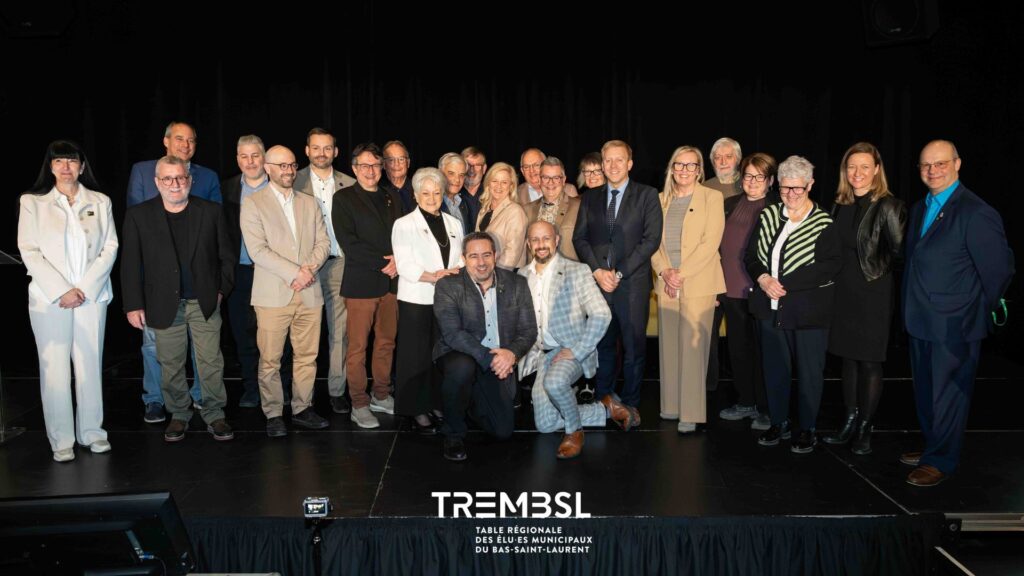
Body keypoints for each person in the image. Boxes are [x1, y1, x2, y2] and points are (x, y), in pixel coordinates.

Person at [901, 140, 1013, 486]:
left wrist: (972, 310)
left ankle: (941, 460)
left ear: (958, 164)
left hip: (955, 324)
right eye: (925, 165)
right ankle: (933, 446)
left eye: (940, 163)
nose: (932, 170)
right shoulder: (920, 207)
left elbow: (999, 270)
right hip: (920, 318)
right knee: (926, 391)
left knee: (948, 395)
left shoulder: (975, 212)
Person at [121, 156, 236, 443]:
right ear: (157, 182)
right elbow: (130, 264)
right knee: (170, 363)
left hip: (204, 301)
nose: (175, 184)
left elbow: (227, 256)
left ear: (190, 180)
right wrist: (133, 305)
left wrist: (221, 290)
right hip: (162, 302)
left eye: (181, 177)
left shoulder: (210, 212)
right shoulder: (139, 216)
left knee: (210, 361)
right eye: (168, 178)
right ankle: (179, 414)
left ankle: (214, 413)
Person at [18, 140, 118, 462]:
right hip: (50, 299)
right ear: (50, 167)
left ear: (82, 166)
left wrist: (84, 288)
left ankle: (92, 432)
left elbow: (110, 247)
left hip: (91, 297)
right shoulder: (33, 203)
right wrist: (62, 290)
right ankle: (61, 439)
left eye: (72, 161)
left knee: (90, 365)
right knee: (55, 370)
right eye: (59, 161)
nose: (65, 167)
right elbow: (29, 250)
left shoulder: (100, 201)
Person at [746, 155, 841, 454]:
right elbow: (751, 256)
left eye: (798, 188)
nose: (791, 194)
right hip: (769, 308)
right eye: (785, 188)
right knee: (775, 369)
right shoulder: (768, 215)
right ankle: (779, 422)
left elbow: (829, 266)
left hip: (808, 311)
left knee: (810, 373)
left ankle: (808, 428)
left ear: (810, 185)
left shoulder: (824, 223)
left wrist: (784, 284)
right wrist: (763, 278)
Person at [127, 121, 220, 423]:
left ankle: (204, 402)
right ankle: (158, 401)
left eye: (191, 140)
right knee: (159, 352)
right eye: (179, 138)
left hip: (199, 289)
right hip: (159, 288)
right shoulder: (142, 174)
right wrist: (136, 299)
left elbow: (219, 241)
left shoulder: (207, 178)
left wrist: (219, 287)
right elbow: (133, 249)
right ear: (166, 141)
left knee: (206, 355)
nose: (185, 144)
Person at [520, 221, 634, 458]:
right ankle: (605, 409)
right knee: (545, 424)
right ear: (528, 244)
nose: (541, 244)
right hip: (542, 354)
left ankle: (574, 432)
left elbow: (601, 314)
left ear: (556, 240)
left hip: (570, 349)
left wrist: (579, 349)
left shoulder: (577, 271)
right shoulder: (522, 276)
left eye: (546, 238)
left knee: (555, 383)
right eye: (535, 240)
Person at [240, 145, 331, 437]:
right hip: (272, 295)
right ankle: (274, 413)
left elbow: (323, 243)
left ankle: (302, 408)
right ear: (267, 168)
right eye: (282, 165)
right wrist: (296, 273)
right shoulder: (253, 203)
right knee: (270, 359)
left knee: (307, 356)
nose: (289, 170)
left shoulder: (309, 202)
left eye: (292, 165)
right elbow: (257, 250)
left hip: (309, 292)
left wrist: (307, 272)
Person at [823, 143, 906, 455]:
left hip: (873, 293)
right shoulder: (839, 204)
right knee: (847, 359)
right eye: (851, 167)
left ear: (876, 170)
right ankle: (849, 420)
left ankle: (865, 428)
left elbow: (899, 254)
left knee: (869, 361)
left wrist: (874, 276)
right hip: (842, 292)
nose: (857, 173)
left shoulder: (889, 206)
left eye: (864, 167)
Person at [572, 140, 662, 422]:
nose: (613, 165)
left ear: (630, 164)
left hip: (632, 285)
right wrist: (598, 271)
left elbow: (651, 240)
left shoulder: (647, 195)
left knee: (634, 349)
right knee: (604, 348)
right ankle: (604, 403)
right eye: (608, 160)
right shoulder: (590, 197)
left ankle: (631, 405)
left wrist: (619, 272)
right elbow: (579, 239)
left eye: (619, 160)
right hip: (599, 285)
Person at [433, 232, 537, 461]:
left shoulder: (517, 283)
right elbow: (452, 333)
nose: (481, 262)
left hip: (498, 358)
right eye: (474, 256)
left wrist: (511, 354)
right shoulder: (448, 285)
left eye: (486, 255)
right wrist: (491, 359)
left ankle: (468, 401)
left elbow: (529, 330)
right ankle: (453, 433)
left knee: (502, 431)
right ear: (464, 258)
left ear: (495, 255)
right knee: (463, 367)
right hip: (459, 354)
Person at [651, 146, 725, 433]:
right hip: (666, 281)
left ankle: (691, 412)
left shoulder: (712, 197)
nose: (684, 170)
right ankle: (671, 405)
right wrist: (664, 271)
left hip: (699, 281)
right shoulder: (659, 200)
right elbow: (651, 242)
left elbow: (711, 243)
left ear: (699, 170)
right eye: (679, 165)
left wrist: (680, 275)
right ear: (671, 168)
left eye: (690, 165)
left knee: (693, 348)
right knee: (669, 346)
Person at [333, 143, 404, 429]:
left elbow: (403, 234)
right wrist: (384, 263)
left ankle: (381, 395)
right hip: (361, 284)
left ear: (382, 167)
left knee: (386, 343)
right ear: (354, 168)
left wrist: (399, 260)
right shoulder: (343, 198)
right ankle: (359, 403)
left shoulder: (391, 196)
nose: (370, 170)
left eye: (375, 165)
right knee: (358, 348)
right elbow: (348, 242)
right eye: (364, 165)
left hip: (392, 283)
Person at [391, 168, 464, 434]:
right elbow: (404, 264)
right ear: (415, 195)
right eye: (426, 193)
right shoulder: (404, 224)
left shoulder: (454, 223)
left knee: (439, 354)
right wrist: (434, 276)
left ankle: (435, 402)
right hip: (416, 298)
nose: (432, 198)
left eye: (436, 193)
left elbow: (461, 257)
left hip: (446, 300)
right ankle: (416, 409)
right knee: (416, 356)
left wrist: (455, 271)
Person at [294, 127, 355, 415]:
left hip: (339, 264)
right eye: (316, 148)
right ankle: (300, 397)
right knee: (302, 335)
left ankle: (336, 390)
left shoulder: (349, 183)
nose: (322, 153)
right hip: (303, 266)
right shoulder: (293, 180)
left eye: (327, 148)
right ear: (307, 151)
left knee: (339, 332)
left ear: (336, 152)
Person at [716, 153, 778, 431]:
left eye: (759, 176)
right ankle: (746, 402)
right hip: (730, 289)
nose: (752, 181)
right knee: (738, 350)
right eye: (748, 175)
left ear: (770, 180)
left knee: (763, 352)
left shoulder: (777, 207)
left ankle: (766, 408)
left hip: (760, 291)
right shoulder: (728, 204)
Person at [222, 135, 271, 408]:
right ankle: (251, 388)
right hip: (240, 273)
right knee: (244, 335)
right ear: (237, 159)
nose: (250, 162)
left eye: (255, 155)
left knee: (275, 336)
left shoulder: (278, 185)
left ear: (264, 158)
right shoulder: (227, 189)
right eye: (244, 156)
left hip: (272, 274)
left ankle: (278, 387)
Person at [523, 157, 581, 261]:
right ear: (539, 180)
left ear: (563, 180)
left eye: (556, 178)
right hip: (535, 270)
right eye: (546, 177)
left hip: (568, 270)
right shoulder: (526, 210)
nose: (551, 182)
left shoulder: (579, 207)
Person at [476, 162, 528, 270]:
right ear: (488, 183)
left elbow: (512, 254)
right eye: (494, 181)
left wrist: (493, 274)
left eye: (504, 182)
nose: (498, 186)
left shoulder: (515, 211)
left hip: (505, 274)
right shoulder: (483, 210)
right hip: (484, 272)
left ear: (511, 186)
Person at [437, 152, 477, 233]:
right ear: (440, 173)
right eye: (451, 174)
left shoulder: (465, 204)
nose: (457, 180)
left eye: (461, 175)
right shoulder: (433, 203)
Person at [382, 140, 415, 214]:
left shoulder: (418, 188)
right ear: (384, 164)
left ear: (408, 163)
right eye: (391, 160)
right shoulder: (377, 191)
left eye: (401, 159)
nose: (396, 164)